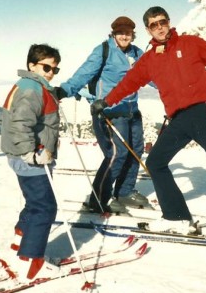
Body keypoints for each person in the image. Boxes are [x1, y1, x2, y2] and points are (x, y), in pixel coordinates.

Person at [90, 6, 206, 246]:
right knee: (156, 162)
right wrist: (105, 102)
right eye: (153, 24)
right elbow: (128, 83)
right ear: (148, 29)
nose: (159, 27)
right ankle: (177, 217)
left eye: (162, 22)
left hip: (201, 112)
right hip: (178, 119)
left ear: (168, 22)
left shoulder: (189, 44)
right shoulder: (149, 59)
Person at [58, 16, 148, 214]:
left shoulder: (137, 53)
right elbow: (84, 73)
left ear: (133, 34)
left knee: (136, 149)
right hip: (109, 110)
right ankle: (98, 198)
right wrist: (64, 90)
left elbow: (153, 75)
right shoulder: (104, 51)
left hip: (132, 110)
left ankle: (124, 192)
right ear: (114, 34)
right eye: (120, 32)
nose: (125, 36)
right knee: (117, 153)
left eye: (128, 33)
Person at [0, 43, 62, 280]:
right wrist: (31, 154)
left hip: (25, 157)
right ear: (31, 65)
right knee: (45, 207)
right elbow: (20, 125)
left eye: (54, 69)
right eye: (46, 67)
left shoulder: (31, 85)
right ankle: (30, 260)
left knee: (34, 202)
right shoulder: (31, 89)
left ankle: (20, 241)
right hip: (30, 159)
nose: (50, 73)